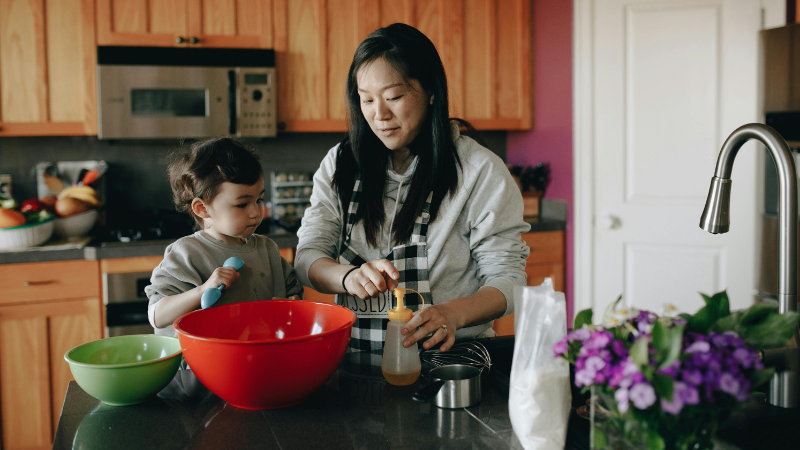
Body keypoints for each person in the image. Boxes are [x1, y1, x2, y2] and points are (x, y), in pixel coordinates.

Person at [295, 23, 530, 353]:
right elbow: (307, 258)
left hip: (451, 368)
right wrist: (346, 277)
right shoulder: (341, 164)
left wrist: (452, 314)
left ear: (431, 91)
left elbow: (509, 281)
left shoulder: (479, 171)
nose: (379, 115)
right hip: (352, 371)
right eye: (367, 100)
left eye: (394, 97)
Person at [146, 137, 303, 336]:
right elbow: (157, 315)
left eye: (259, 200)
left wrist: (290, 306)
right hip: (202, 365)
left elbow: (294, 297)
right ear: (202, 208)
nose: (256, 212)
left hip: (261, 359)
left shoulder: (268, 250)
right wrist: (202, 290)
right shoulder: (187, 253)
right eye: (242, 204)